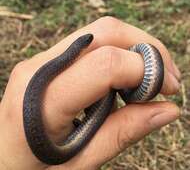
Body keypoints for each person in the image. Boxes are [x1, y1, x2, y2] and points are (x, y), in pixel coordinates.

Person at [0, 17, 181, 170]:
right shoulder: (63, 60)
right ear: (80, 49)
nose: (90, 41)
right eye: (88, 42)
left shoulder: (56, 66)